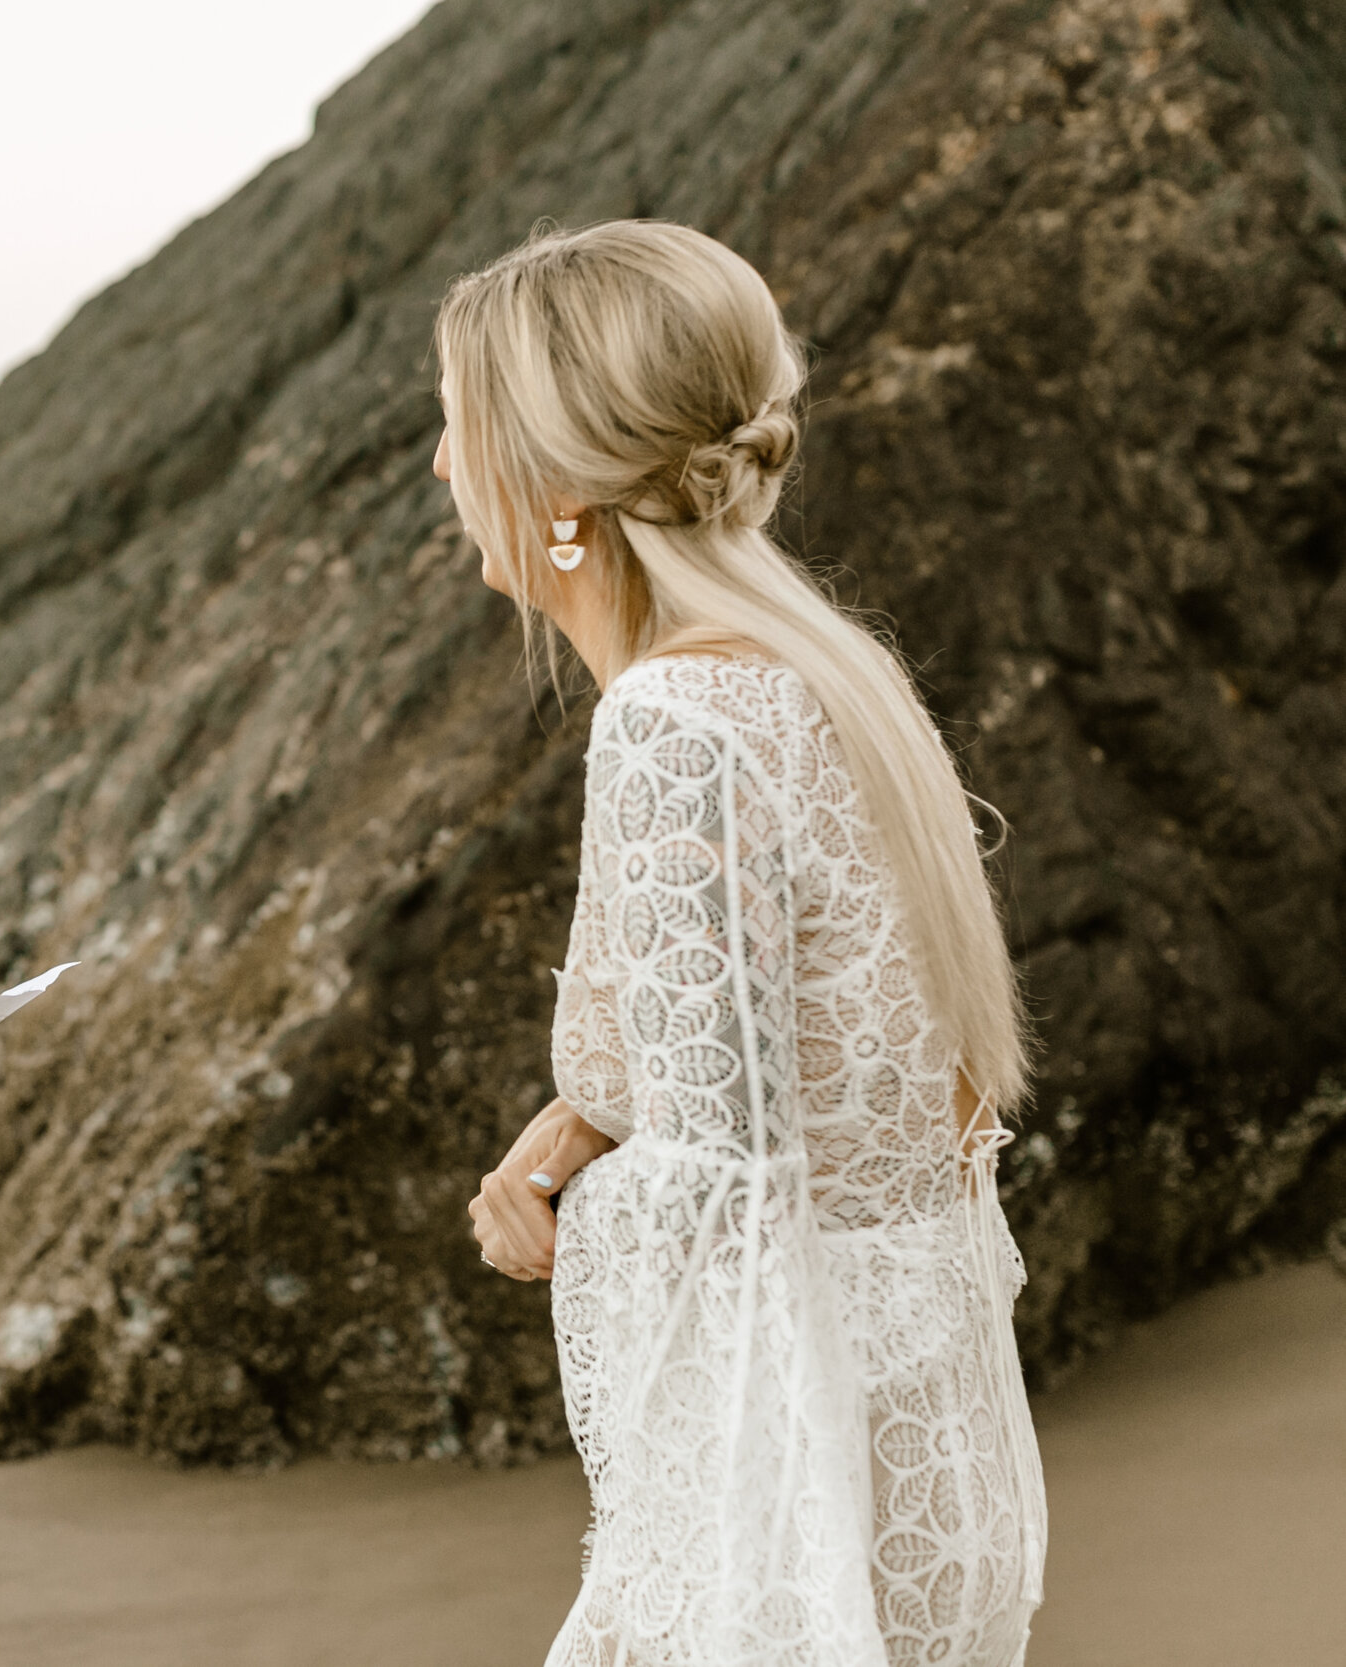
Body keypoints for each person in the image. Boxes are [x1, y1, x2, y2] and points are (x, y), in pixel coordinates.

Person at [442, 222, 1047, 1666]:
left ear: (556, 490)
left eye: (461, 433)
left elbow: (732, 1196)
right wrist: (593, 1118)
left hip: (795, 1507)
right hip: (922, 1453)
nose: (449, 472)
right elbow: (859, 1083)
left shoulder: (675, 724)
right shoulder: (829, 676)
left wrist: (554, 1205)